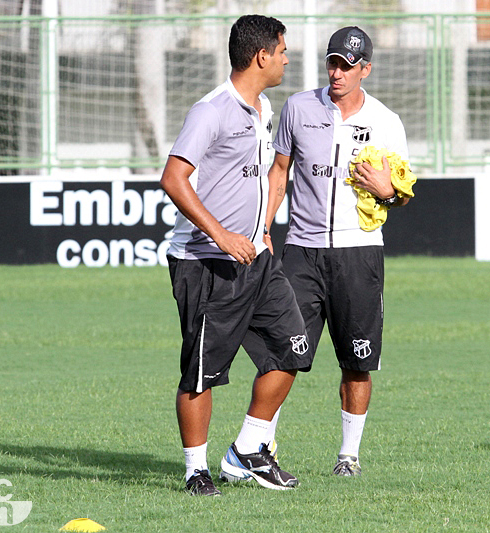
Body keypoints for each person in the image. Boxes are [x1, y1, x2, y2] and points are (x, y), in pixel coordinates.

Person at [160, 14, 311, 495]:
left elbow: (261, 175)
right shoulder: (211, 110)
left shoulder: (263, 108)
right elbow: (174, 178)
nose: (288, 57)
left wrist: (261, 226)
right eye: (283, 49)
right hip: (205, 263)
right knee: (202, 371)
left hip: (256, 260)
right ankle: (195, 470)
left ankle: (248, 450)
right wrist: (223, 235)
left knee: (294, 348)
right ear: (262, 56)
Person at [263, 26, 411, 477]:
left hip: (358, 253)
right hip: (301, 252)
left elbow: (401, 192)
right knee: (282, 354)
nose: (338, 72)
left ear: (366, 68)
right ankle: (260, 447)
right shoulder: (298, 107)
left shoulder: (386, 121)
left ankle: (348, 456)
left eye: (348, 65)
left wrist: (388, 191)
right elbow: (280, 170)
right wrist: (263, 227)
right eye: (333, 63)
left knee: (357, 360)